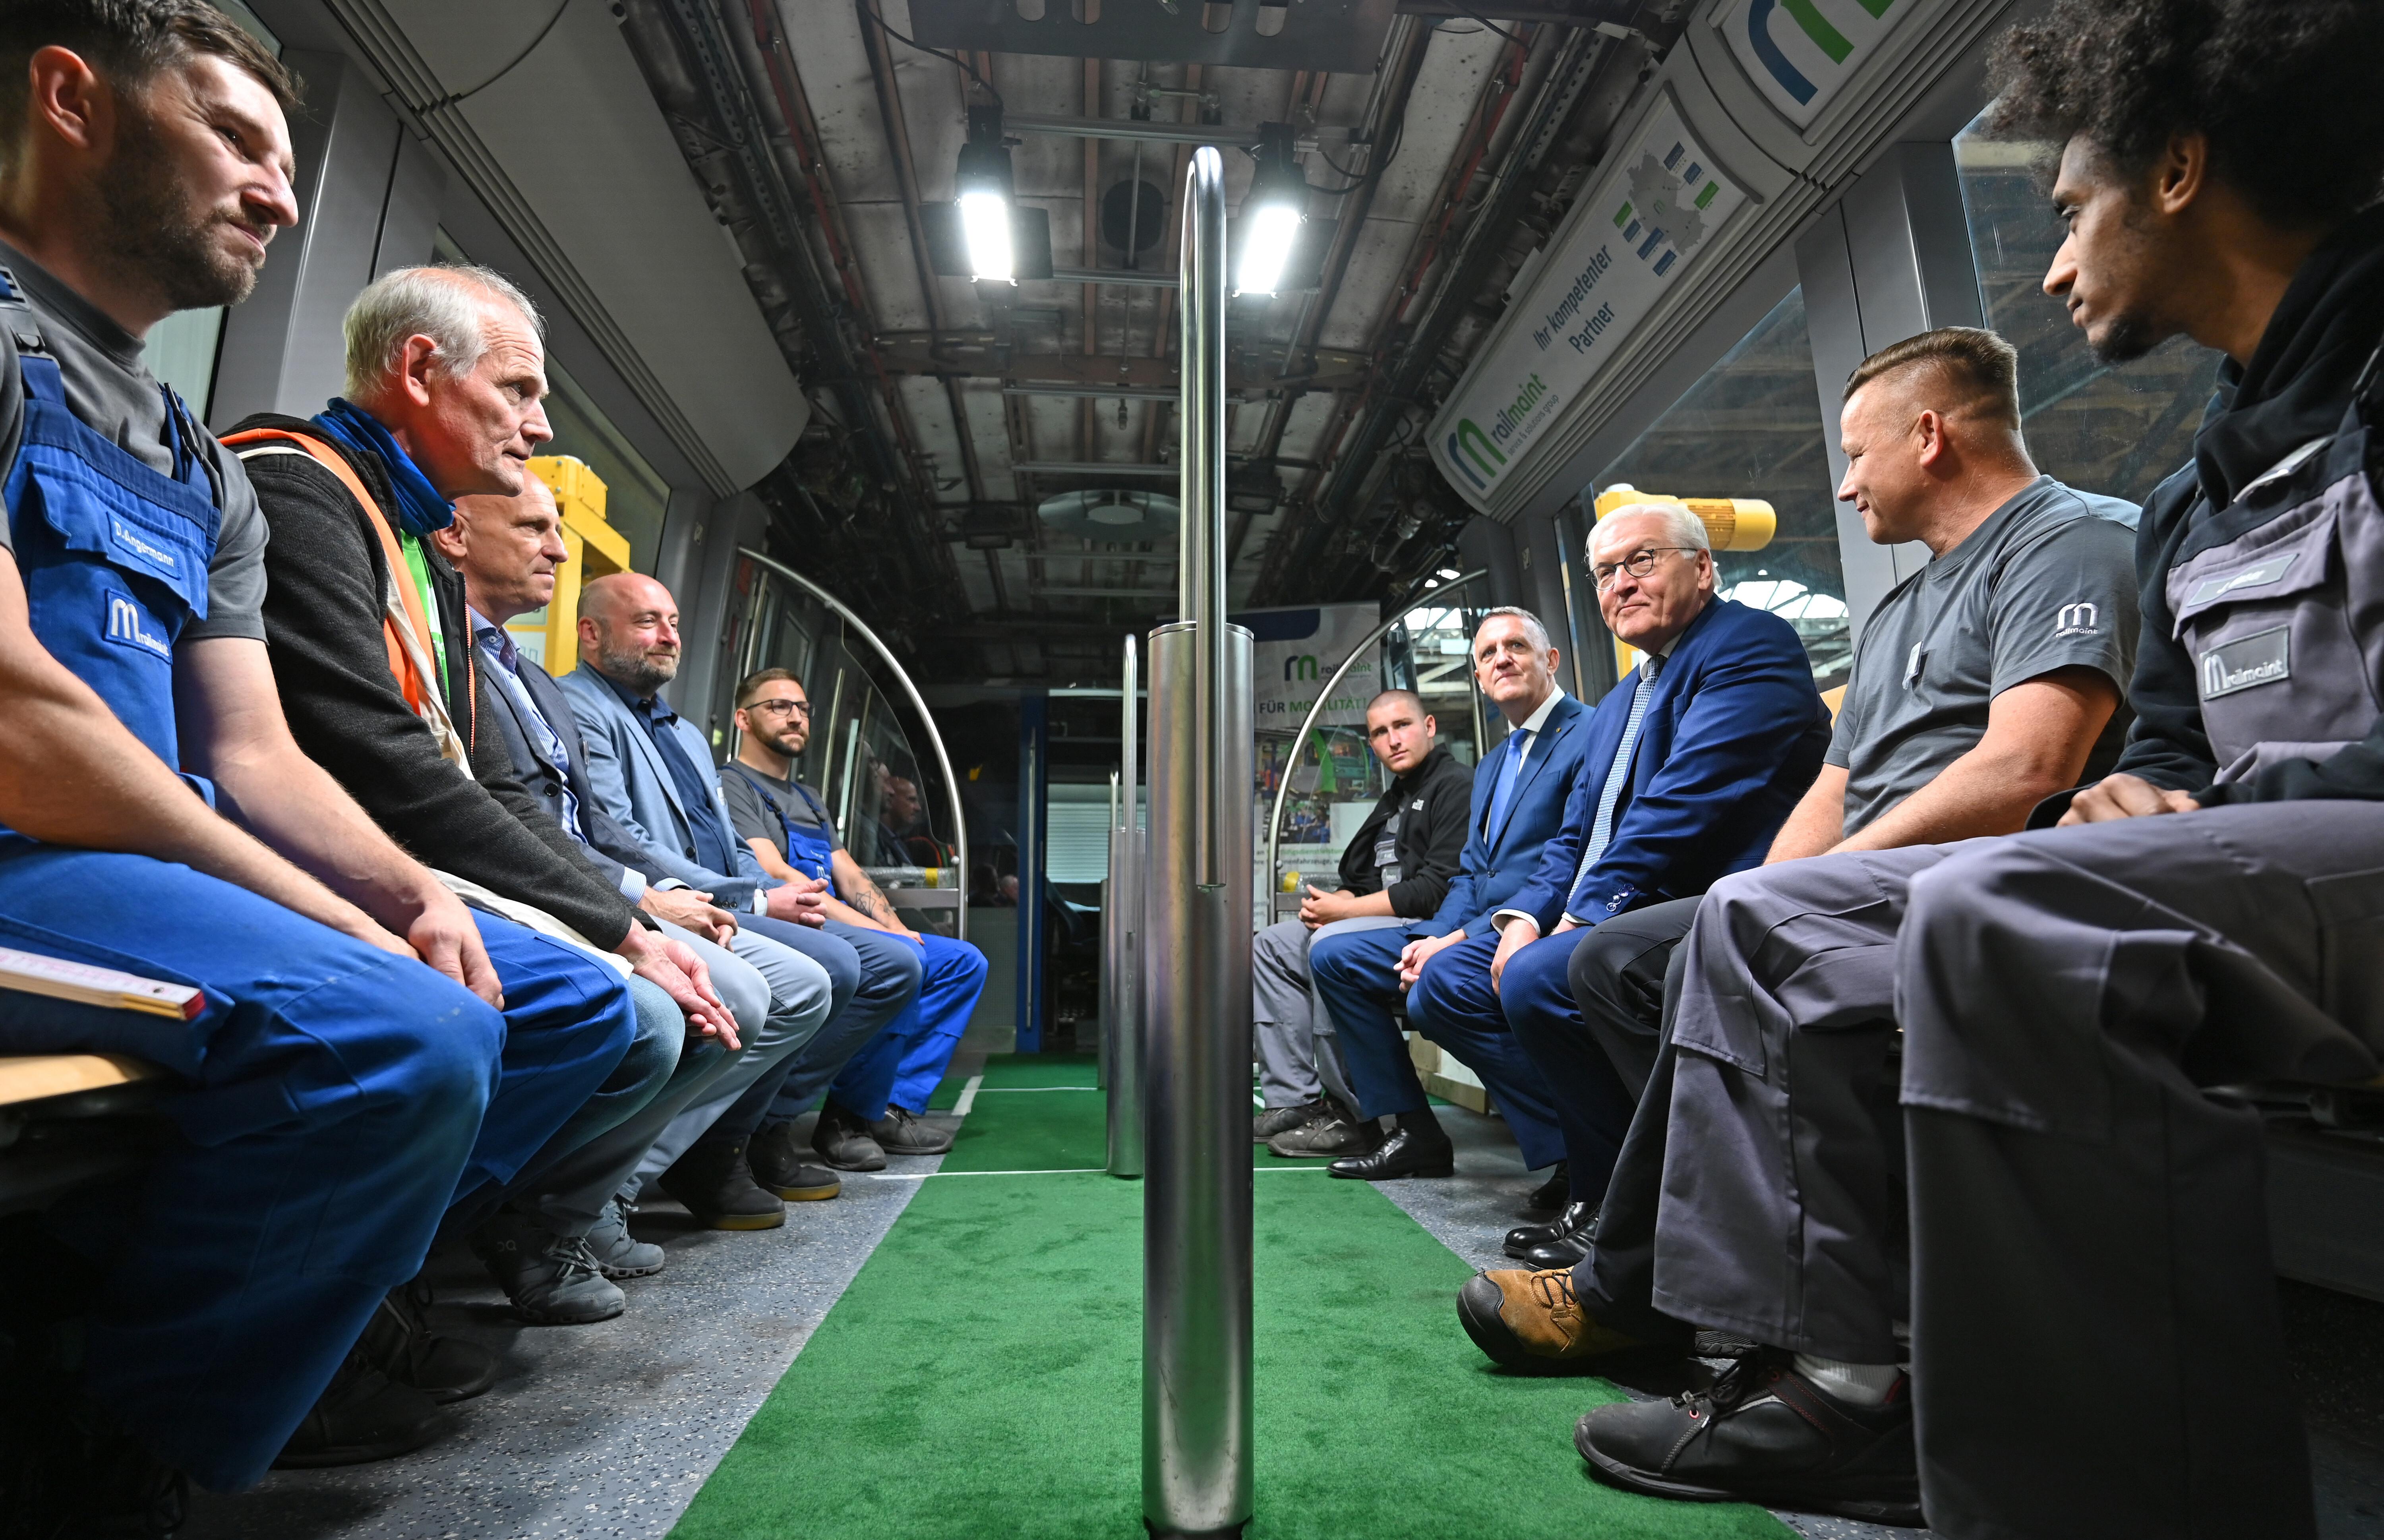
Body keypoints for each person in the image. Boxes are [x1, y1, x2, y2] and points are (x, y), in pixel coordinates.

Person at [0, 2, 616, 1521]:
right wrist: (333, 915)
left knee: (521, 990)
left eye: (285, 160)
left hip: (132, 863)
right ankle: (114, 1446)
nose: (278, 194)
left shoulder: (197, 462)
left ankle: (277, 1306)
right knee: (402, 1030)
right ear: (72, 100)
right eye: (233, 138)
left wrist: (409, 890)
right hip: (27, 854)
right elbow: (20, 718)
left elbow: (254, 752)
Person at [1461, 322, 2147, 1516]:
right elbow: (1832, 788)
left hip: (1980, 874)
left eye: (1854, 452)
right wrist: (1753, 897)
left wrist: (1790, 899)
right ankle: (1694, 1276)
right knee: (1622, 960)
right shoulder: (1899, 608)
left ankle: (1648, 1295)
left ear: (1928, 435)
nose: (1841, 484)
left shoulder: (2071, 538)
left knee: (1729, 945)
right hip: (1865, 884)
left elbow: (2027, 765)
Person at [1884, 5, 2384, 1536]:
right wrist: (2127, 795)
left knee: (2000, 912)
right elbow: (2165, 740)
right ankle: (1839, 1375)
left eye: (2067, 212)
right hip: (2286, 873)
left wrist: (2202, 816)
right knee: (1788, 918)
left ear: (2175, 172)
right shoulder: (2187, 500)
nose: (2052, 267)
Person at [226, 266, 834, 1331]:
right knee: (629, 1011)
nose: (540, 424)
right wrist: (628, 923)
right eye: (518, 390)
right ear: (421, 370)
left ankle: (434, 1243)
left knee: (687, 994)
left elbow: (488, 783)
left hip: (436, 858)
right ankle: (372, 1270)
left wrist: (627, 922)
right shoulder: (300, 491)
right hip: (336, 860)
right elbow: (380, 759)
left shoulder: (409, 548)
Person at [437, 477, 858, 1239]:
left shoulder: (558, 690)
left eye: (673, 623)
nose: (556, 551)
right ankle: (571, 1200)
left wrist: (732, 892)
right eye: (533, 529)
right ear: (455, 535)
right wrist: (661, 900)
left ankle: (678, 1160)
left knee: (834, 969)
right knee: (745, 994)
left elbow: (598, 822)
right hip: (542, 888)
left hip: (623, 883)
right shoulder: (488, 670)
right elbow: (553, 823)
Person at [1424, 502, 1832, 1269]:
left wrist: (1581, 916)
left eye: (1643, 560)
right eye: (1606, 572)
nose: (1622, 583)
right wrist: (1524, 918)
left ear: (1703, 568)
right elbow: (1575, 835)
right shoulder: (1618, 703)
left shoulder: (1750, 644)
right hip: (1631, 905)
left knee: (1544, 976)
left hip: (1724, 899)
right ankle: (1601, 1182)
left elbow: (1686, 801)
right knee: (1462, 977)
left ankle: (1650, 1202)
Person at [1307, 608, 1591, 1187]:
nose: (1502, 660)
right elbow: (1470, 874)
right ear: (1480, 679)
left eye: (1516, 647)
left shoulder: (1589, 733)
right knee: (1334, 957)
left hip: (1537, 923)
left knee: (1434, 992)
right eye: (1488, 655)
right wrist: (1436, 935)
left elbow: (1573, 858)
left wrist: (1459, 938)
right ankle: (1415, 1133)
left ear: (1551, 660)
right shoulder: (1492, 766)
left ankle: (1579, 1147)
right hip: (1468, 925)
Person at [717, 664, 992, 1170]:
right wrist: (883, 935)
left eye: (803, 709)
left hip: (837, 919)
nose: (795, 717)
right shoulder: (733, 786)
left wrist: (896, 927)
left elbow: (851, 876)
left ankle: (884, 1106)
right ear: (743, 719)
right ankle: (828, 1120)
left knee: (962, 962)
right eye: (779, 706)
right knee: (902, 959)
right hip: (789, 920)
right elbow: (778, 874)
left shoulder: (809, 799)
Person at [1252, 689, 1472, 1157]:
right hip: (1379, 922)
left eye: (1402, 726)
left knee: (1330, 944)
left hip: (1432, 930)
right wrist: (1337, 901)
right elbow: (1365, 879)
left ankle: (1353, 1114)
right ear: (1371, 744)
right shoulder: (1395, 800)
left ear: (1429, 727)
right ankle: (1297, 1100)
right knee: (1271, 945)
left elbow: (1437, 890)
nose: (1393, 739)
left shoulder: (1456, 786)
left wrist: (1343, 913)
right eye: (1380, 732)